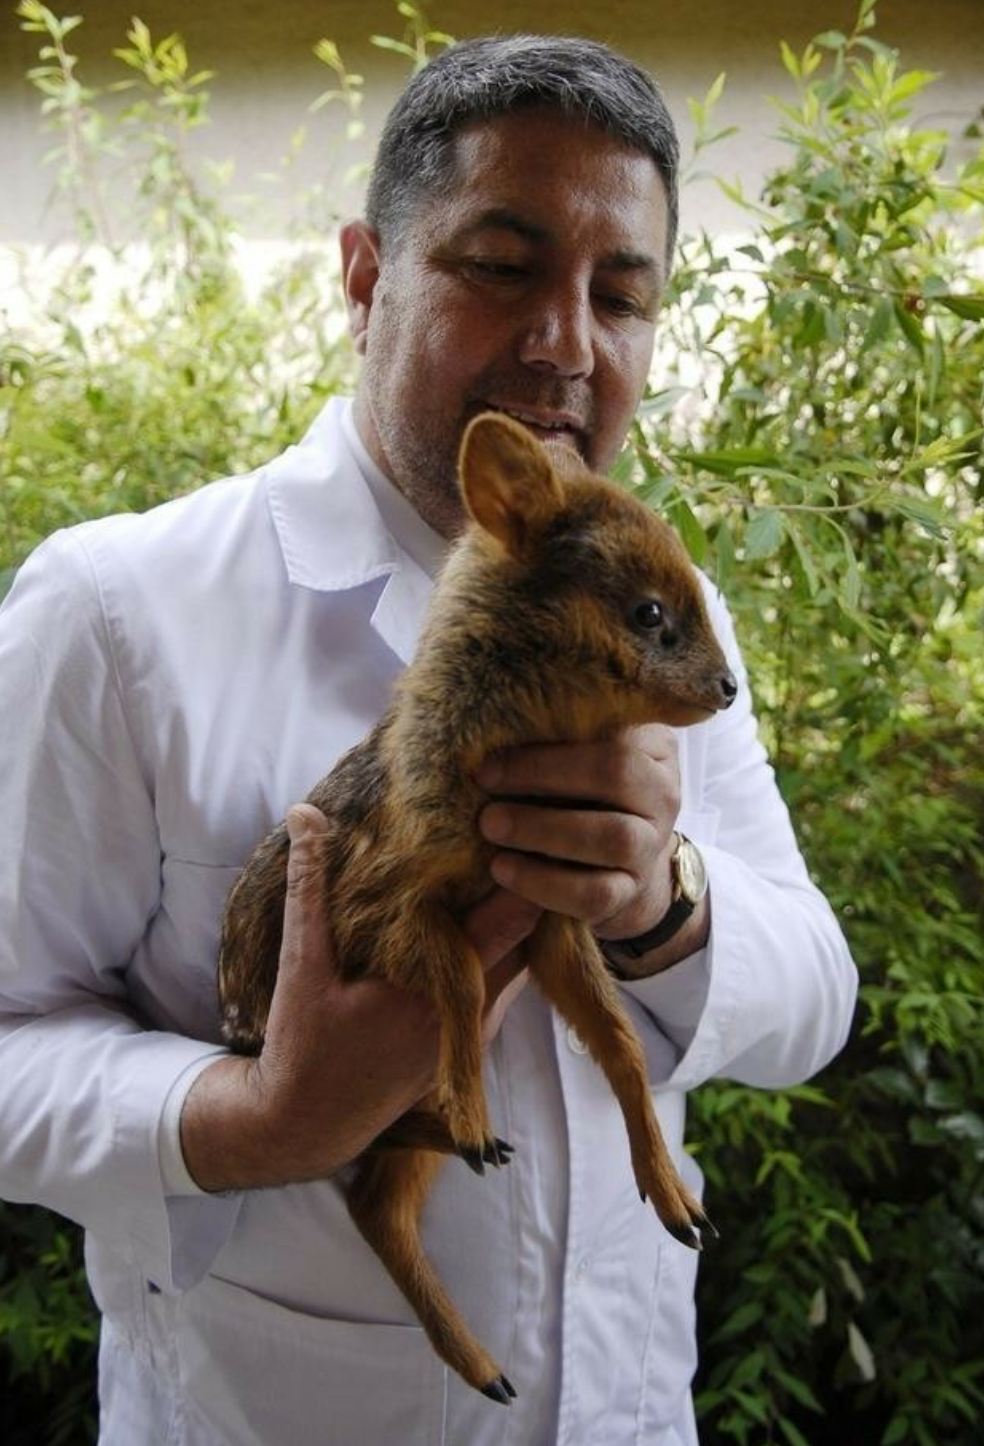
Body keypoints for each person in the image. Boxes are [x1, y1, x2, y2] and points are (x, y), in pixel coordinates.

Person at [0, 35, 857, 1446]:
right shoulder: (117, 609)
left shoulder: (663, 625)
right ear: (363, 275)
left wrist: (662, 901)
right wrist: (254, 1116)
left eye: (621, 295)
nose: (565, 342)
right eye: (501, 266)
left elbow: (814, 996)